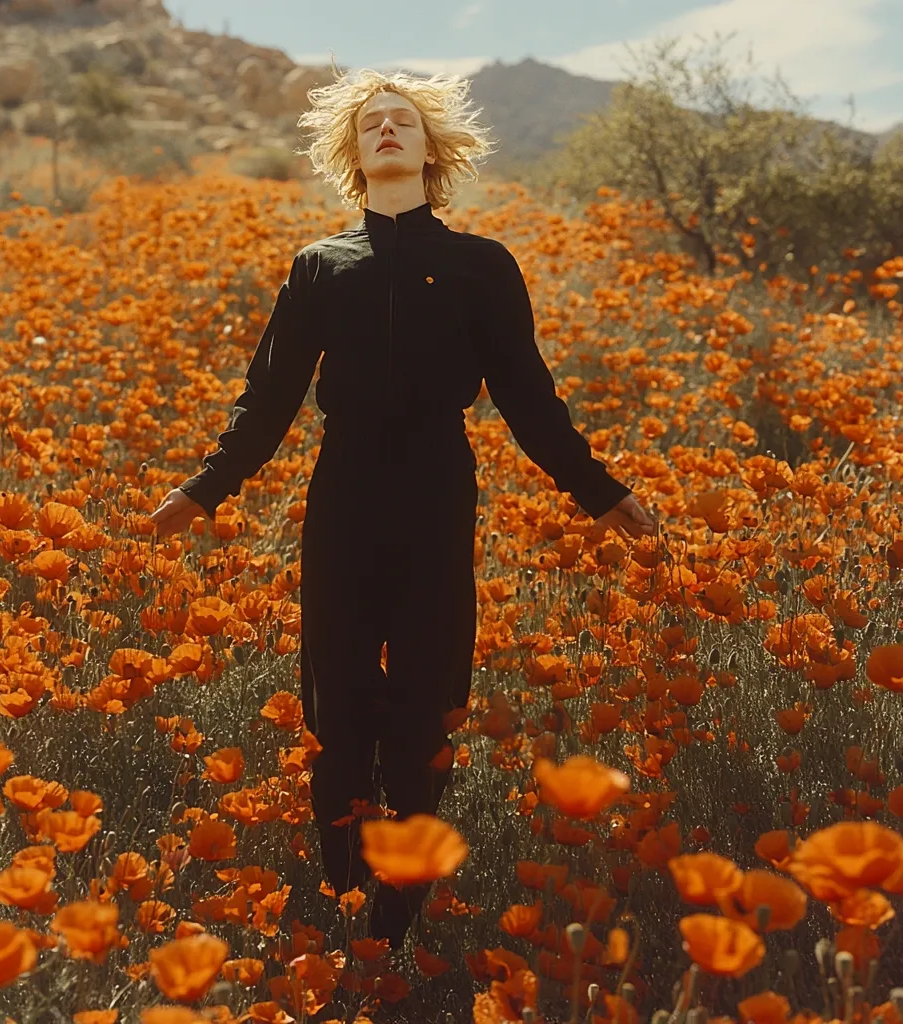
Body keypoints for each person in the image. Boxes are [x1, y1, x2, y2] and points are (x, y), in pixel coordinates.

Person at [150, 66, 658, 950]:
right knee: (336, 710)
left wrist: (599, 490)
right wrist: (205, 487)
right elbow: (267, 397)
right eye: (373, 123)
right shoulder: (319, 266)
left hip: (436, 494)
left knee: (426, 708)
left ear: (432, 149)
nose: (388, 130)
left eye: (404, 122)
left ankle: (403, 914)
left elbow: (528, 396)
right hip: (341, 497)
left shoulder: (481, 266)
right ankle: (346, 903)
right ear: (354, 150)